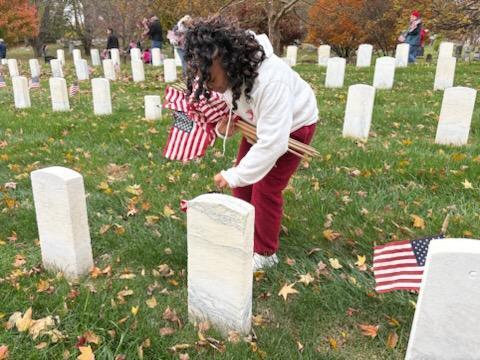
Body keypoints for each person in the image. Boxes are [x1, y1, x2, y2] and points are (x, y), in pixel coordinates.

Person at [184, 16, 318, 271]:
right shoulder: (228, 73)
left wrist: (235, 174)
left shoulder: (271, 80)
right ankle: (245, 231)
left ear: (227, 59)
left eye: (209, 76)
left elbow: (273, 144)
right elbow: (236, 109)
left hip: (294, 128)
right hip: (260, 124)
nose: (207, 83)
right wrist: (227, 125)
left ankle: (266, 253)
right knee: (243, 184)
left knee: (266, 187)